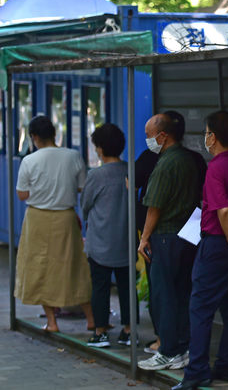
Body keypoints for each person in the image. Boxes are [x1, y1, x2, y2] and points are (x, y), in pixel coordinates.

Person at [173, 111, 228, 390]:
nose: (205, 138)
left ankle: (196, 371)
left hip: (221, 244)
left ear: (213, 137)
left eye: (207, 132)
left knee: (200, 308)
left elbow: (222, 209)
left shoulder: (217, 168)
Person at [136, 110, 207, 355]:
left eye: (149, 135)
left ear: (163, 136)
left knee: (163, 295)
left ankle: (168, 349)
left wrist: (144, 237)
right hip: (189, 235)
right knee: (184, 292)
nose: (147, 140)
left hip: (165, 236)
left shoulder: (166, 163)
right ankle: (184, 346)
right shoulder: (191, 159)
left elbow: (154, 205)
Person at [15, 115, 93, 332]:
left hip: (37, 219)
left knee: (40, 268)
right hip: (66, 217)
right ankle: (90, 319)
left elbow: (22, 194)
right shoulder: (73, 156)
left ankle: (52, 322)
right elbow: (81, 187)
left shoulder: (29, 160)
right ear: (54, 134)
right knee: (75, 265)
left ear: (34, 137)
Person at [82, 123, 135, 348]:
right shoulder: (130, 170)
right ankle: (129, 330)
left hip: (100, 242)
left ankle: (101, 331)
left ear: (101, 148)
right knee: (126, 286)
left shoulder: (97, 175)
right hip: (126, 241)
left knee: (100, 287)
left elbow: (85, 205)